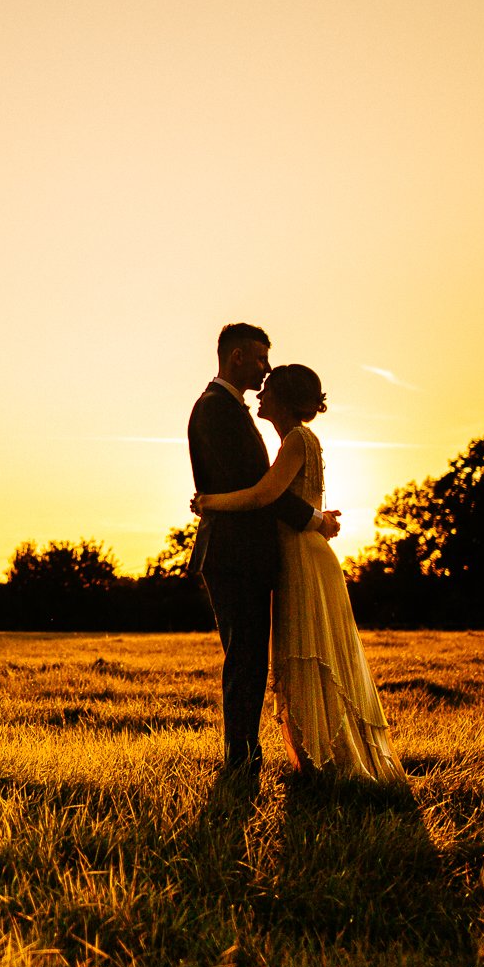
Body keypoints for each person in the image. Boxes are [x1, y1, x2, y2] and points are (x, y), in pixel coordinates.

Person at [194, 363, 406, 785]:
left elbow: (263, 495)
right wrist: (316, 517)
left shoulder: (296, 439)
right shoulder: (294, 440)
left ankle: (334, 762)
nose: (261, 394)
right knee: (301, 655)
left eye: (268, 389)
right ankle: (317, 758)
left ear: (284, 399)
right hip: (295, 553)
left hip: (304, 557)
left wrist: (208, 502)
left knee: (314, 653)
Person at [186, 324, 341, 774]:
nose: (266, 369)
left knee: (250, 658)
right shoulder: (217, 410)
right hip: (235, 555)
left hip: (243, 554)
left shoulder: (226, 409)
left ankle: (246, 755)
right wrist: (314, 520)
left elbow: (262, 490)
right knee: (246, 659)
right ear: (236, 357)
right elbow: (259, 491)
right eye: (259, 360)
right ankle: (242, 760)